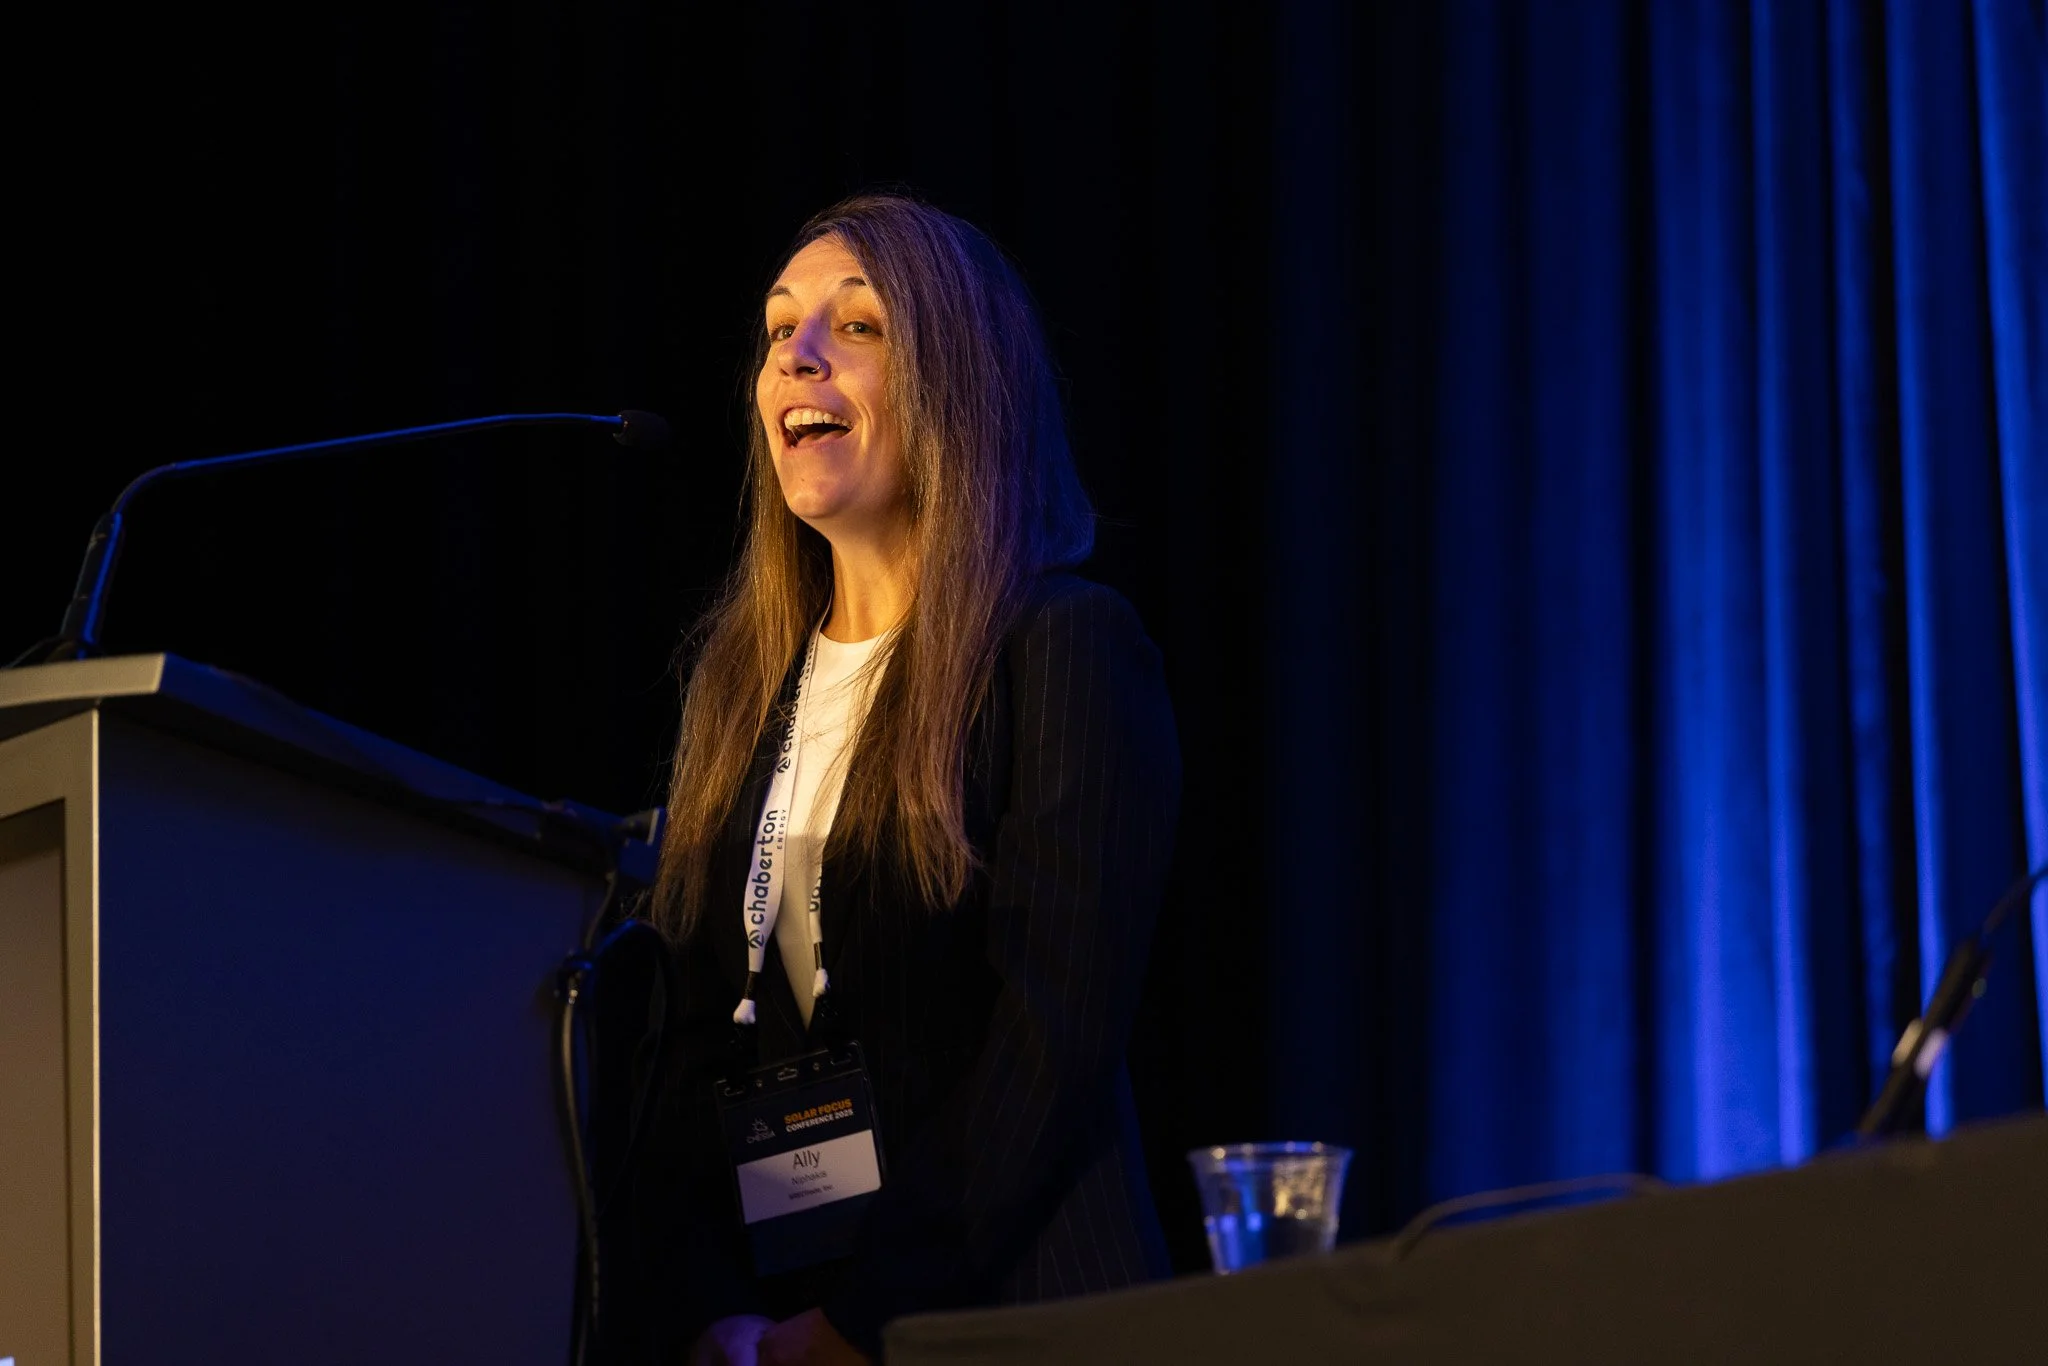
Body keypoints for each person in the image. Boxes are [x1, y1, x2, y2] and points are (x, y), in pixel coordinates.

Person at [635, 193, 1179, 1366]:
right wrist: (710, 1320)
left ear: (960, 385)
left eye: (858, 325)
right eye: (779, 330)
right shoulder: (735, 699)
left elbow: (1046, 1049)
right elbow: (692, 1054)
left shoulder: (1063, 650)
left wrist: (854, 1327)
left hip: (1010, 1319)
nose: (798, 353)